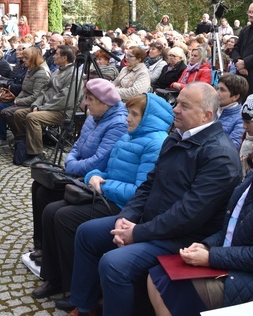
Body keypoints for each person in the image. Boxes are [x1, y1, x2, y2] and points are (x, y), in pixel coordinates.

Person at [67, 83, 241, 316]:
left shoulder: (220, 155)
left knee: (114, 264)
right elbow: (149, 184)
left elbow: (189, 214)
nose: (175, 109)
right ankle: (85, 306)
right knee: (87, 233)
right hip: (151, 222)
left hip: (183, 238)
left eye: (184, 106)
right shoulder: (176, 138)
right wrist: (127, 216)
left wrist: (137, 233)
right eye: (177, 102)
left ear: (206, 115)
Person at [147, 111, 253, 314]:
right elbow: (231, 228)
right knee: (156, 275)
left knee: (172, 284)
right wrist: (206, 245)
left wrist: (211, 256)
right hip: (233, 260)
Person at [34, 93, 173, 309]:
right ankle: (56, 277)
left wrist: (105, 184)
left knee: (63, 217)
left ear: (148, 118)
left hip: (122, 206)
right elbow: (106, 170)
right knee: (51, 210)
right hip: (105, 195)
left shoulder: (155, 144)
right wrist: (93, 177)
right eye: (128, 113)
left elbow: (141, 191)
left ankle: (77, 287)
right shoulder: (129, 136)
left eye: (134, 114)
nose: (128, 118)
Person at [29, 81, 133, 298]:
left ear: (104, 103)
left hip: (92, 178)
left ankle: (68, 283)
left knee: (57, 211)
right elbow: (76, 146)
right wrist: (71, 160)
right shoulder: (94, 117)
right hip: (81, 174)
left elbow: (100, 161)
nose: (85, 103)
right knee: (40, 187)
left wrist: (73, 166)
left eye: (90, 100)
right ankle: (46, 254)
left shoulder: (118, 123)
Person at [8, 45, 78, 166]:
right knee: (18, 114)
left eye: (57, 54)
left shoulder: (73, 74)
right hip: (47, 107)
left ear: (64, 58)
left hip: (62, 111)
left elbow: (64, 99)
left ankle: (37, 153)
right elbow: (43, 91)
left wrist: (41, 108)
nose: (53, 56)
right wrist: (36, 104)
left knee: (32, 117)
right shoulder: (58, 70)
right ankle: (25, 145)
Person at [0, 46, 49, 148]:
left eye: (26, 58)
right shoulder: (30, 69)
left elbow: (37, 96)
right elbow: (24, 89)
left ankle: (19, 138)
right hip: (22, 98)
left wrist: (18, 101)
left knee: (3, 109)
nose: (23, 60)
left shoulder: (41, 73)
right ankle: (18, 138)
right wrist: (17, 99)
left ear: (33, 59)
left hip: (34, 103)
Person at [217, 73, 248, 148]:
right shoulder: (211, 108)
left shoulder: (240, 119)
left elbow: (233, 146)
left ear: (235, 96)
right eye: (217, 88)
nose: (217, 92)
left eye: (222, 90)